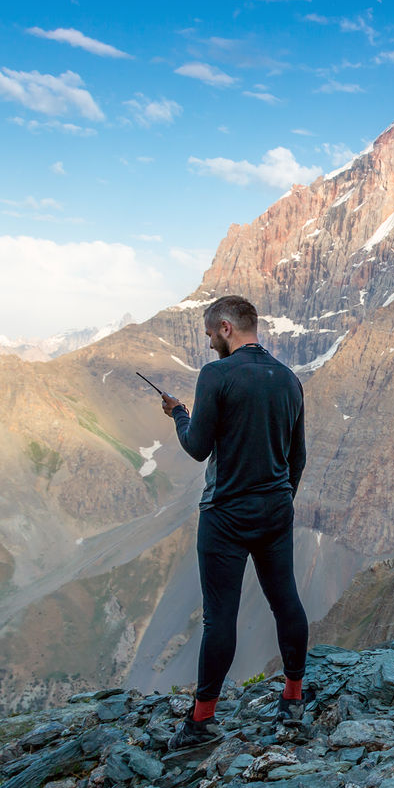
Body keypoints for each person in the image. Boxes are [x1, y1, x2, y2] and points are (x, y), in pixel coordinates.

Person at [159, 295, 310, 748]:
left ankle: (201, 722)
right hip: (275, 511)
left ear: (226, 328)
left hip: (225, 514)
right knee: (286, 602)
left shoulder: (217, 375)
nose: (209, 345)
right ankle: (293, 700)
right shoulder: (289, 380)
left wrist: (179, 414)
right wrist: (282, 501)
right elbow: (296, 455)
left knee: (219, 617)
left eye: (210, 335)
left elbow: (198, 447)